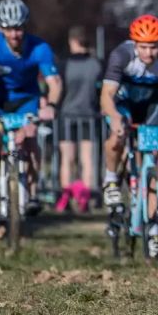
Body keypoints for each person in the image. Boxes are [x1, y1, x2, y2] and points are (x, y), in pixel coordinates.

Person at [0, 0, 64, 223]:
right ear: (0, 28)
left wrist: (52, 106)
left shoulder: (39, 48)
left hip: (28, 100)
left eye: (18, 28)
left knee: (30, 140)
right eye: (9, 29)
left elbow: (54, 82)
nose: (15, 34)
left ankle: (33, 191)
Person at [99, 14, 158, 258]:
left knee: (154, 159)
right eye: (144, 47)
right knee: (117, 136)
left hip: (151, 105)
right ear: (134, 44)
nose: (149, 53)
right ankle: (110, 180)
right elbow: (107, 95)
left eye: (154, 47)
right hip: (123, 102)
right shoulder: (121, 56)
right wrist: (116, 118)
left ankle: (153, 229)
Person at [56, 28, 101, 213]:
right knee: (87, 159)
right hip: (90, 115)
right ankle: (85, 196)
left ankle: (66, 195)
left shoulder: (64, 64)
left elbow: (59, 89)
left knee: (67, 159)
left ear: (72, 41)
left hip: (67, 115)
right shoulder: (97, 64)